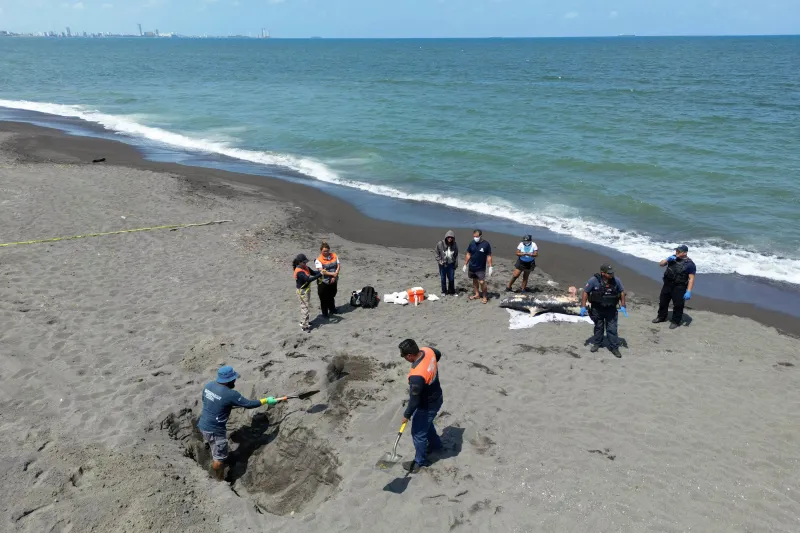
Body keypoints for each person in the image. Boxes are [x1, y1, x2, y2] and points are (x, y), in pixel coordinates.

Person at [196, 365, 279, 480]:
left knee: (212, 443)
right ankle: (218, 479)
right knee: (219, 459)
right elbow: (249, 404)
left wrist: (223, 405)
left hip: (202, 424)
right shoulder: (231, 394)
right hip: (215, 431)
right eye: (234, 378)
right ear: (229, 380)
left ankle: (213, 450)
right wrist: (266, 400)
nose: (235, 380)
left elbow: (206, 401)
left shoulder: (208, 386)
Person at [399, 339, 444, 473]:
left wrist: (406, 415)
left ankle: (421, 461)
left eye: (403, 356)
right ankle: (436, 445)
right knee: (426, 425)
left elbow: (414, 401)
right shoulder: (428, 350)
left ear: (409, 356)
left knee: (418, 433)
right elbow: (438, 354)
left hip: (427, 405)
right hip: (437, 396)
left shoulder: (417, 376)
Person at [580, 264, 627, 358]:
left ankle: (614, 347)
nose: (611, 274)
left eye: (612, 272)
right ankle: (597, 344)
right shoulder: (593, 280)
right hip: (597, 309)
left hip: (611, 310)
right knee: (598, 327)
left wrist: (623, 305)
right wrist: (583, 306)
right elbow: (586, 292)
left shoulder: (616, 280)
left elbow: (622, 292)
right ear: (603, 273)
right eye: (609, 273)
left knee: (612, 329)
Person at [653, 245, 696, 329]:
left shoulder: (690, 264)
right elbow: (661, 264)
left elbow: (691, 279)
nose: (676, 252)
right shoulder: (672, 259)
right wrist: (667, 259)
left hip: (679, 286)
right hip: (667, 284)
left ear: (685, 253)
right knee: (663, 302)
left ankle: (675, 321)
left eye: (679, 251)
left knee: (678, 305)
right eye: (676, 251)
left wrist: (689, 291)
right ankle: (661, 317)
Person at [293, 254, 322, 332]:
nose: (305, 264)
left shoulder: (306, 268)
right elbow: (308, 279)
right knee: (305, 308)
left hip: (306, 290)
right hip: (302, 292)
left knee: (305, 307)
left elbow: (313, 273)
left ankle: (304, 321)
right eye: (304, 262)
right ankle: (305, 326)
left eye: (306, 262)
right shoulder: (299, 272)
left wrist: (320, 271)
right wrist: (320, 274)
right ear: (299, 262)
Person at [463, 229, 493, 304]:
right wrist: (465, 264)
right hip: (472, 266)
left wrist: (490, 267)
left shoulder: (486, 244)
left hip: (481, 268)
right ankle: (477, 294)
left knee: (482, 282)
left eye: (476, 236)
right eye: (474, 236)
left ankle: (484, 296)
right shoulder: (472, 243)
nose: (475, 238)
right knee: (474, 280)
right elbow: (468, 254)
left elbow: (489, 256)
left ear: (480, 236)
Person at [315, 242, 341, 318]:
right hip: (323, 281)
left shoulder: (334, 255)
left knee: (332, 294)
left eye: (327, 251)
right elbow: (322, 271)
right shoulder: (318, 260)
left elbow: (338, 265)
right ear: (321, 251)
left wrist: (335, 275)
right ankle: (325, 312)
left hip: (333, 279)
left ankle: (332, 309)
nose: (326, 252)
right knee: (323, 297)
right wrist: (333, 274)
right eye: (324, 251)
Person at [435, 230, 459, 296]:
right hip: (442, 264)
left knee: (451, 278)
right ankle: (444, 291)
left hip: (451, 264)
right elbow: (436, 253)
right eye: (448, 237)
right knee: (443, 278)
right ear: (446, 237)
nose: (450, 238)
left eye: (451, 237)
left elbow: (456, 254)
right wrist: (439, 260)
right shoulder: (440, 244)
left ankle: (452, 291)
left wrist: (456, 263)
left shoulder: (455, 244)